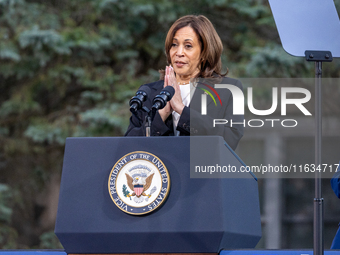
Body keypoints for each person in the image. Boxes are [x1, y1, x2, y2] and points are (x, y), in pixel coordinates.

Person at [125, 15, 244, 150]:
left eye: (188, 46)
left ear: (204, 52)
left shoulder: (228, 90)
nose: (179, 52)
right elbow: (129, 146)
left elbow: (230, 139)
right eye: (174, 45)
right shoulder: (149, 92)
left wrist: (181, 110)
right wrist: (161, 115)